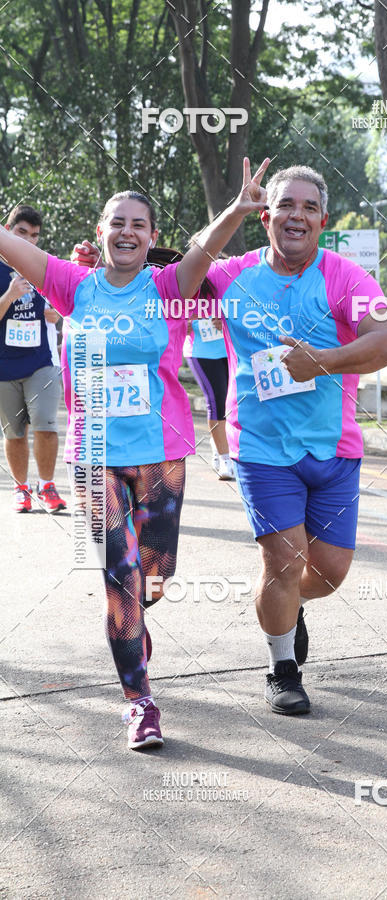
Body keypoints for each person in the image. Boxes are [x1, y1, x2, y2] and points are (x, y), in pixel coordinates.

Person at [0, 157, 270, 749]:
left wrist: (238, 207)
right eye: (116, 223)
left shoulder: (168, 288)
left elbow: (204, 247)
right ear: (100, 234)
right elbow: (8, 245)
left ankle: (137, 623)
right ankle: (140, 701)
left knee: (152, 579)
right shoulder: (71, 285)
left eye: (138, 225)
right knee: (118, 583)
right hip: (95, 457)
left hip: (162, 455)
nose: (127, 232)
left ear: (151, 238)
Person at [198, 165, 387, 715]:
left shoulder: (347, 279)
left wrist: (324, 362)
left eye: (310, 208)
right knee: (283, 565)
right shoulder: (235, 274)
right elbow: (187, 266)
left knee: (328, 574)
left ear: (322, 221)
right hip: (262, 450)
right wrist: (232, 210)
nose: (298, 216)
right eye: (286, 205)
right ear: (266, 217)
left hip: (334, 449)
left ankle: (285, 606)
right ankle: (281, 666)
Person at [0, 205, 67, 513]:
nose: (28, 240)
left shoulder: (43, 266)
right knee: (15, 432)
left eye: (35, 235)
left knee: (46, 424)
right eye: (21, 232)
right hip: (4, 367)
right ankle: (21, 488)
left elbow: (63, 305)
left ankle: (48, 486)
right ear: (7, 229)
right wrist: (9, 296)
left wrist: (54, 313)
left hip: (42, 362)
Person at [184, 306, 235, 481]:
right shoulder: (189, 282)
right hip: (201, 351)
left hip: (230, 350)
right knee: (217, 402)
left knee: (232, 404)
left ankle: (219, 444)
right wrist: (183, 322)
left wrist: (226, 320)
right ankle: (225, 460)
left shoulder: (226, 283)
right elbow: (170, 310)